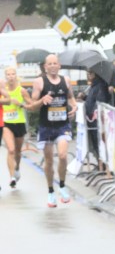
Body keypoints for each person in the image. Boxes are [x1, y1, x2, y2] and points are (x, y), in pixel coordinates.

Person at [29, 53, 77, 207]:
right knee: (49, 161)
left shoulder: (66, 80)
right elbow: (32, 106)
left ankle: (62, 186)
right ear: (45, 67)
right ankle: (50, 191)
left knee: (62, 156)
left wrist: (74, 106)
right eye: (49, 64)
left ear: (59, 65)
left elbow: (70, 97)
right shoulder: (39, 82)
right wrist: (42, 100)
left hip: (62, 126)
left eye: (55, 63)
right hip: (46, 127)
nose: (52, 66)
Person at [0, 67, 31, 188]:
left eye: (13, 74)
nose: (11, 76)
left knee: (17, 152)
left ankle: (17, 167)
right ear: (5, 76)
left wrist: (21, 104)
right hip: (6, 123)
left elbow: (31, 105)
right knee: (11, 150)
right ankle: (12, 177)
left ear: (16, 76)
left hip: (19, 123)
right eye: (8, 74)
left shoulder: (21, 90)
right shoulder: (3, 90)